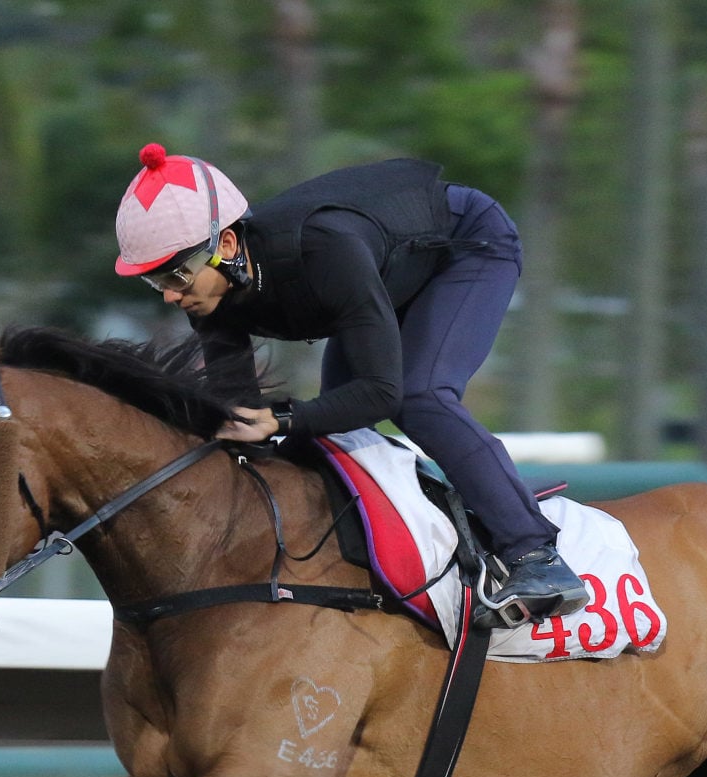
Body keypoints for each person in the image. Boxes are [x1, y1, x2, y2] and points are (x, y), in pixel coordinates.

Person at [112, 143, 589, 630]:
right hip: (387, 268)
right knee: (323, 434)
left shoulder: (323, 250)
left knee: (420, 397)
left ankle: (536, 555)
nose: (171, 296)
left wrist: (281, 418)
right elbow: (239, 418)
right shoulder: (210, 292)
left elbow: (381, 394)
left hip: (462, 245)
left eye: (176, 276)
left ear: (228, 247)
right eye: (156, 283)